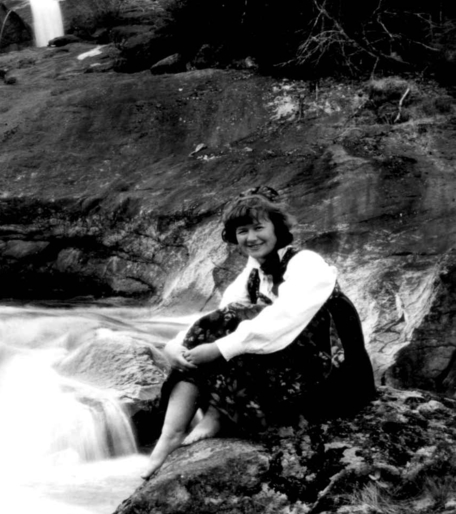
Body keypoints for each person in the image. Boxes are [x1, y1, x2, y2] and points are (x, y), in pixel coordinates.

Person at [141, 187, 375, 479]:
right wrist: (175, 347)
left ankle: (216, 415)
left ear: (277, 229)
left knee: (233, 329)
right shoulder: (254, 272)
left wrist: (220, 349)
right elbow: (216, 315)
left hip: (338, 380)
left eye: (258, 228)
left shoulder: (306, 262)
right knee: (224, 324)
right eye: (242, 231)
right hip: (296, 363)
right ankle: (171, 436)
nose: (251, 238)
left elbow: (284, 317)